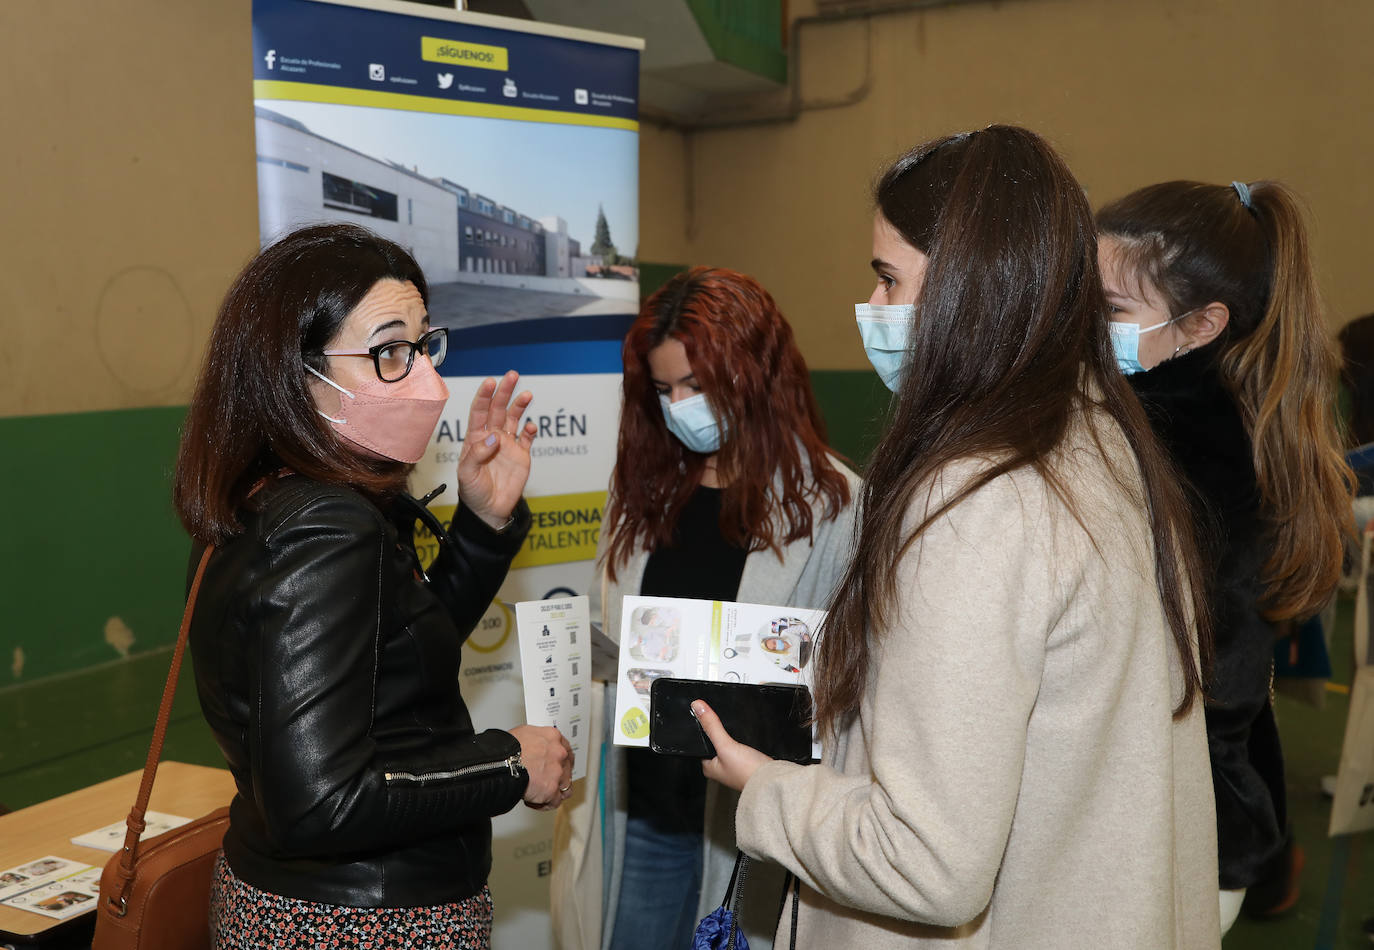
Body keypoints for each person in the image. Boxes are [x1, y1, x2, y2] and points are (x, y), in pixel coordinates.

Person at [692, 126, 1221, 948]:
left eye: (888, 278)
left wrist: (764, 790)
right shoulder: (1102, 443)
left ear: (969, 291)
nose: (873, 308)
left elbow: (924, 861)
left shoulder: (975, 499)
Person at [173, 223, 573, 950]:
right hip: (360, 923)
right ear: (291, 371)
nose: (427, 379)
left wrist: (480, 526)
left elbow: (391, 667)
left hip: (307, 904)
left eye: (423, 345)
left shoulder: (278, 494)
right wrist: (506, 762)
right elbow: (320, 804)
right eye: (388, 351)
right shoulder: (322, 524)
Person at [550, 267, 860, 950]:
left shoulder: (833, 504)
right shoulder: (642, 491)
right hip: (647, 810)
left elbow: (848, 680)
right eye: (663, 390)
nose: (679, 405)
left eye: (697, 385)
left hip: (752, 816)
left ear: (754, 373)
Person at [1096, 180, 1352, 931]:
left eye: (1109, 313)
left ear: (1202, 325)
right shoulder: (1202, 418)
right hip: (1207, 814)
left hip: (1180, 826)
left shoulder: (1190, 444)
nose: (1081, 329)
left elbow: (1219, 682)